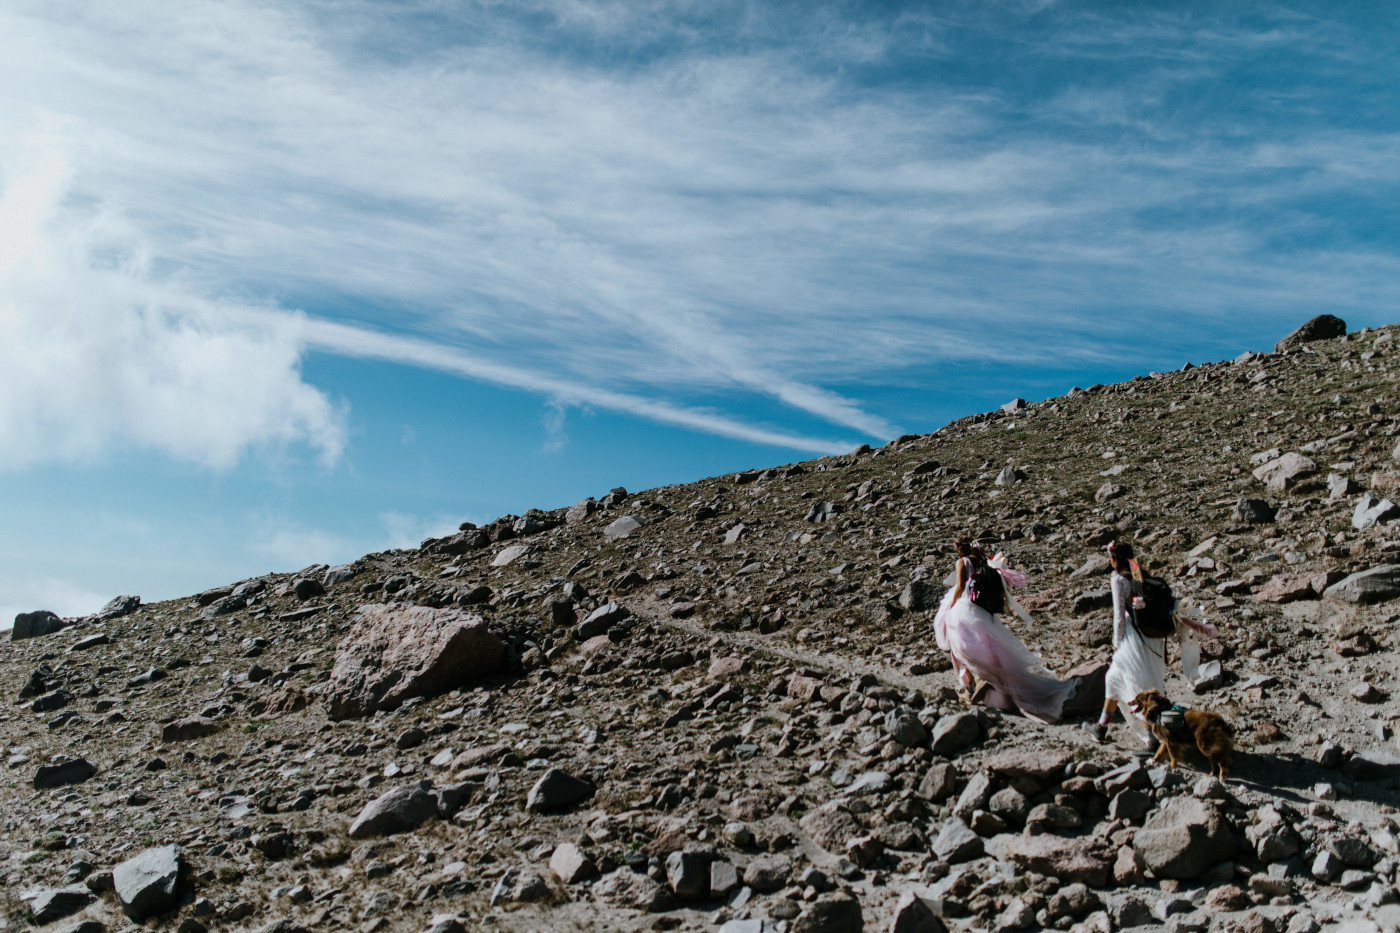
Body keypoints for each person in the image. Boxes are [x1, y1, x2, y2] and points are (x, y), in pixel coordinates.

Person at [1085, 540, 1218, 749]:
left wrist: (1116, 644)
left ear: (1114, 559)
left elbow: (1119, 616)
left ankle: (1152, 739)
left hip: (1133, 638)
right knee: (1114, 678)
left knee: (1138, 687)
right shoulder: (1139, 572)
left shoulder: (1118, 579)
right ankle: (1101, 727)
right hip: (1152, 636)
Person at [933, 539, 1077, 724]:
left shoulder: (962, 562)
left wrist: (951, 606)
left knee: (959, 646)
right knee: (986, 643)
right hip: (982, 609)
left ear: (959, 549)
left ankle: (971, 685)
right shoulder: (980, 561)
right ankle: (980, 684)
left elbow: (961, 586)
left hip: (965, 607)